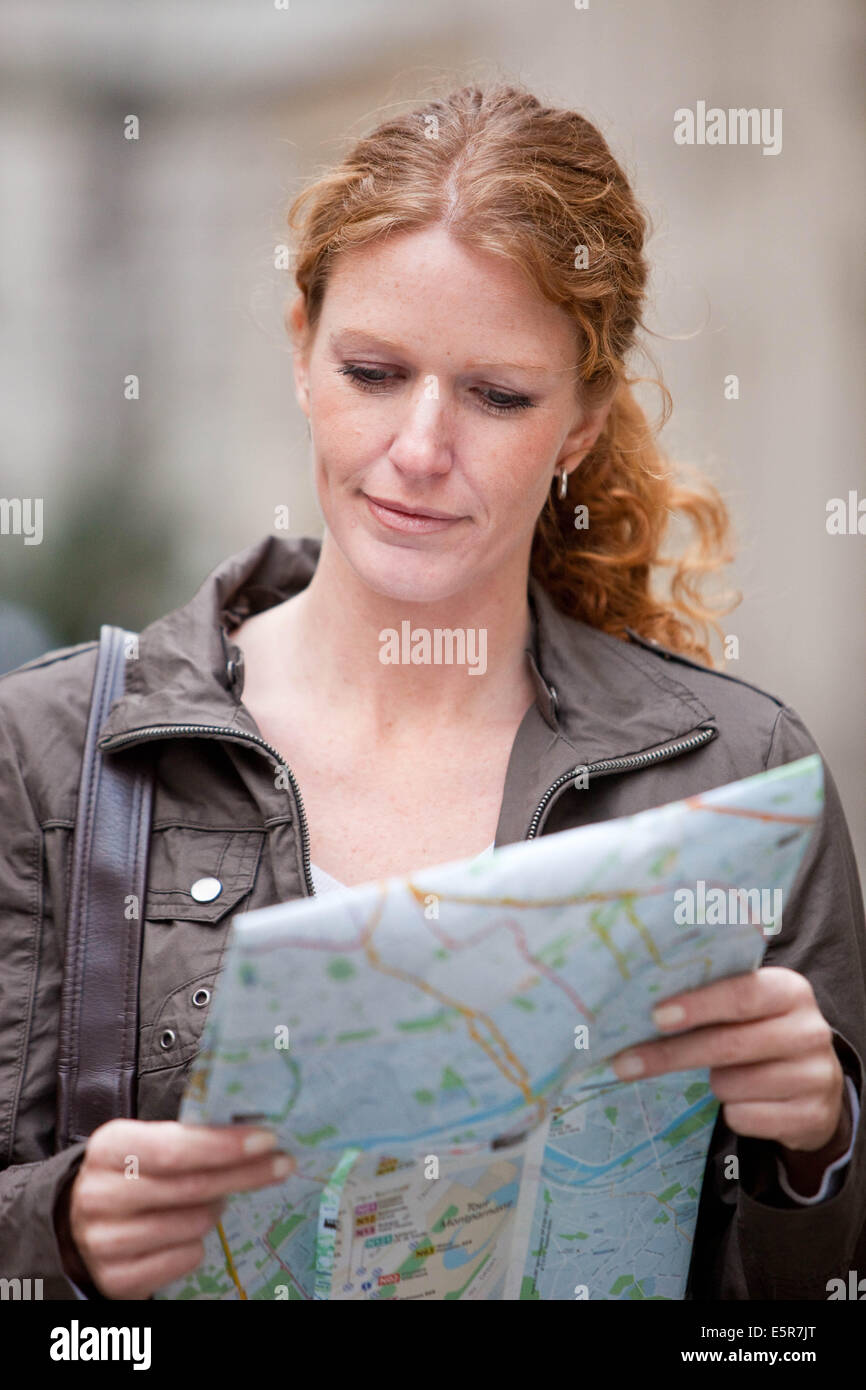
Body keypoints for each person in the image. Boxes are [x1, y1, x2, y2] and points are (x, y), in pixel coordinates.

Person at [1, 83, 864, 1302]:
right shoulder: (46, 753)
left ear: (581, 420)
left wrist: (818, 1143)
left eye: (496, 394)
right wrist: (62, 1234)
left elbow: (806, 1312)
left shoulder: (735, 774)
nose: (417, 446)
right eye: (371, 370)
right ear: (301, 349)